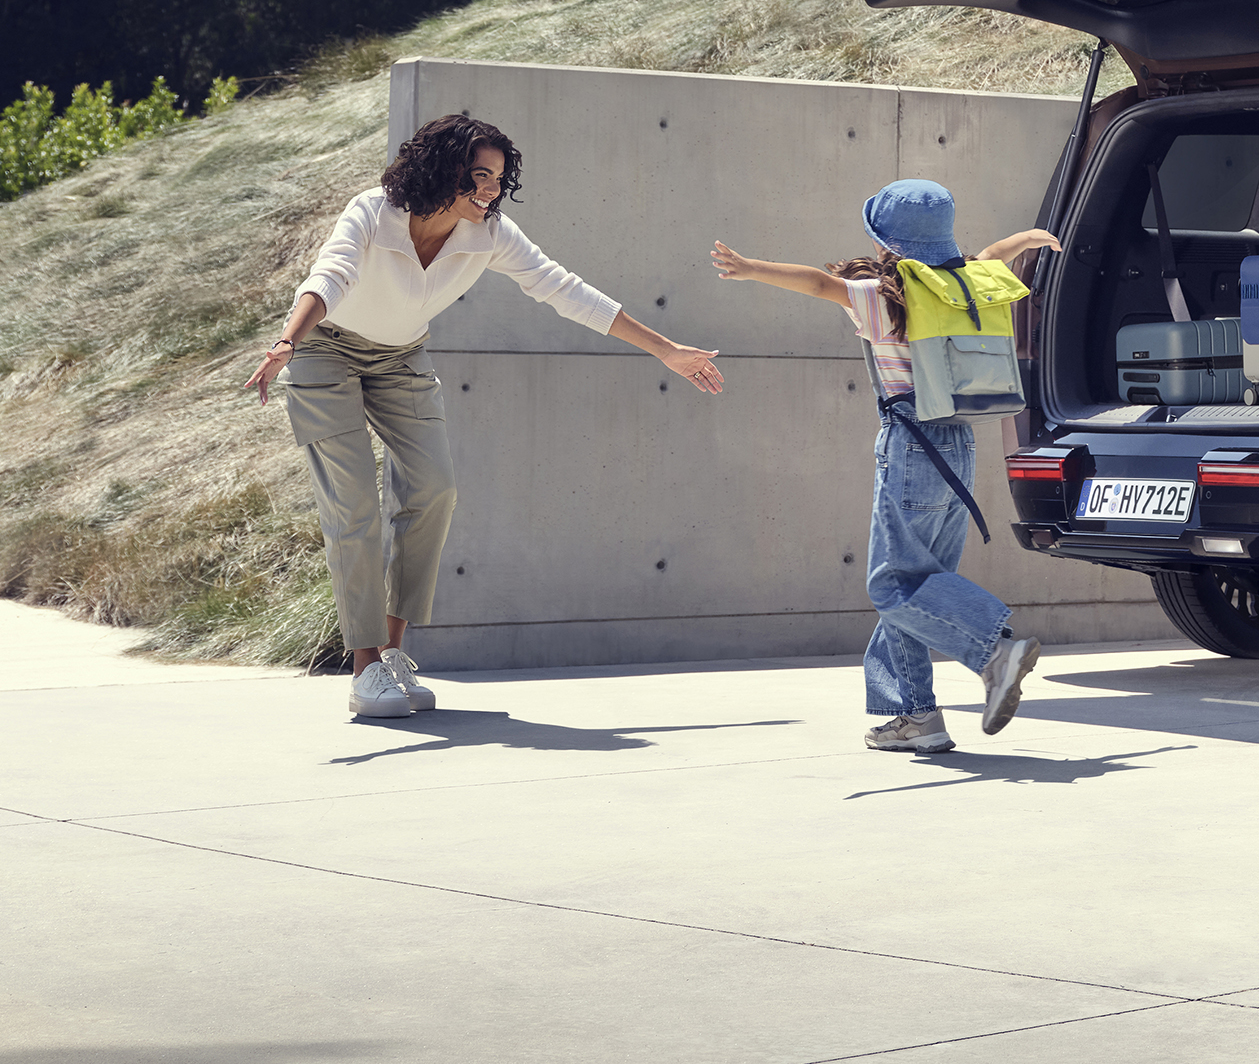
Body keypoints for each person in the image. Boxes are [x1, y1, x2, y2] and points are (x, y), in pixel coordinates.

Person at [249, 111, 727, 722]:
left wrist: (666, 349)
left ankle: (392, 656)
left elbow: (564, 289)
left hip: (400, 357)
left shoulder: (492, 233)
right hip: (322, 348)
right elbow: (331, 275)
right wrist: (288, 341)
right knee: (356, 507)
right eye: (478, 174)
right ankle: (364, 666)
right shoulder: (374, 211)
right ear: (439, 169)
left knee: (435, 490)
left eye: (498, 178)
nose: (490, 189)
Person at [710, 181, 1053, 756]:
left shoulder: (884, 295)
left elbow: (820, 283)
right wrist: (1022, 239)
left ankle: (994, 650)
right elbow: (991, 257)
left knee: (892, 585)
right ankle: (915, 717)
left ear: (885, 239)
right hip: (962, 445)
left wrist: (750, 268)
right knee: (918, 586)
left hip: (912, 444)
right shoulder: (970, 281)